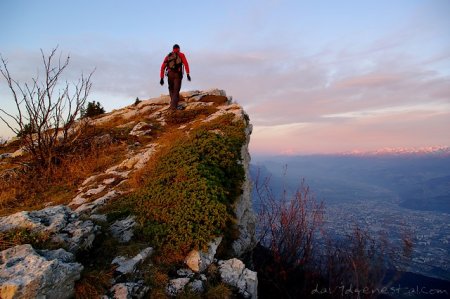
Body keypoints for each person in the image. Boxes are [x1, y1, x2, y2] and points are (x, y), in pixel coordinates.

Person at [160, 44, 191, 110]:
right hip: (178, 74)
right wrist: (188, 74)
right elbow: (186, 64)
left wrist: (161, 78)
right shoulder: (181, 55)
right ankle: (173, 106)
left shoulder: (168, 56)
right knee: (176, 90)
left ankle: (173, 103)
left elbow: (162, 67)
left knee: (171, 89)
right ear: (179, 48)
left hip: (170, 74)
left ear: (173, 49)